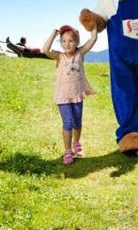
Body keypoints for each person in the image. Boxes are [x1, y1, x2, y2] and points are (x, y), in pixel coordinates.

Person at [42, 24, 98, 165]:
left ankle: (77, 143)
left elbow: (93, 40)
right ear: (61, 43)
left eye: (71, 40)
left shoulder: (80, 53)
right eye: (64, 41)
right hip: (63, 97)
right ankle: (67, 150)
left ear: (77, 42)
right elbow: (45, 50)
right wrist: (53, 34)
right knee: (68, 123)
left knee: (77, 123)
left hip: (77, 95)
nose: (67, 44)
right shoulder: (59, 57)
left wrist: (94, 28)